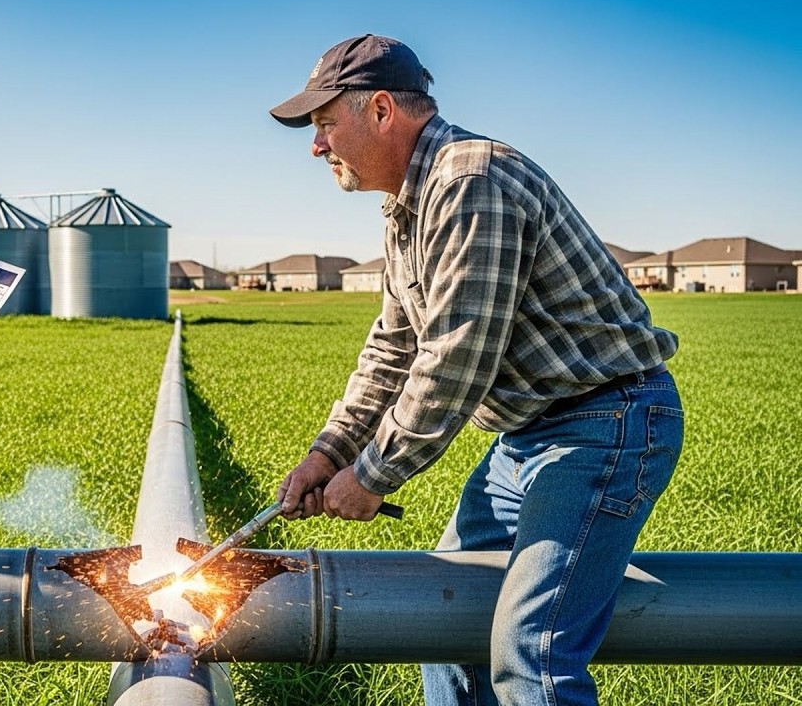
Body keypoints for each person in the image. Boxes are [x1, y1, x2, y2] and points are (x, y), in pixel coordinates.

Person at [271, 35, 683, 706]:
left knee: (533, 657)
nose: (316, 146)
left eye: (323, 124)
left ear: (380, 111)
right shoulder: (406, 210)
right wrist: (329, 453)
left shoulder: (469, 179)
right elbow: (392, 351)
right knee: (449, 623)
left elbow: (455, 356)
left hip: (604, 424)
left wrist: (372, 477)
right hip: (527, 439)